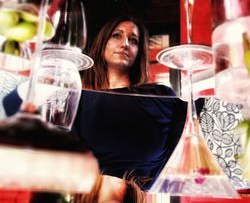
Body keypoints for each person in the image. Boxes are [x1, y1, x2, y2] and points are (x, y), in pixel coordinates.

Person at [3, 15, 204, 202]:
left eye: (133, 40)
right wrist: (44, 84)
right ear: (102, 44)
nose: (125, 43)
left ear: (139, 53)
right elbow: (11, 110)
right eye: (117, 35)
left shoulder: (159, 96)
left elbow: (196, 121)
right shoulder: (70, 97)